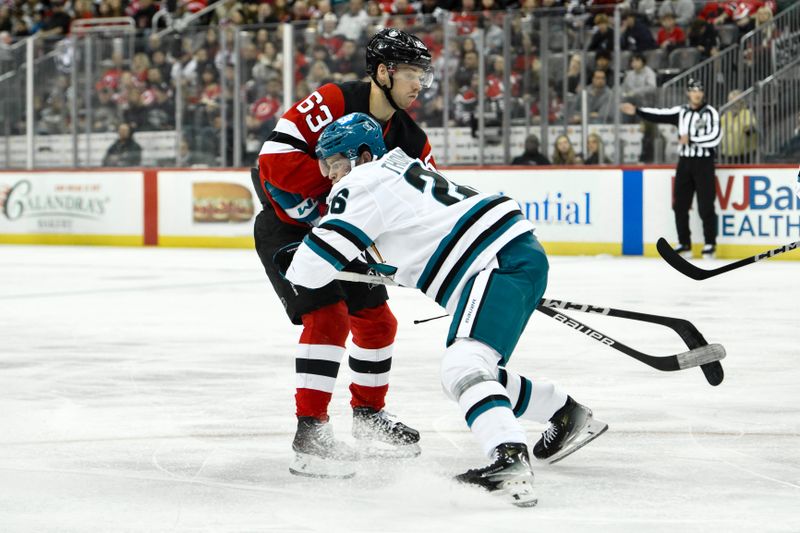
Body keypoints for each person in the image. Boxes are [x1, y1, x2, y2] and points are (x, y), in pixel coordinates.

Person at [279, 112, 607, 506]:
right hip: (511, 256)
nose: (330, 174)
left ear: (362, 155)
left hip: (494, 263)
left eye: (335, 162)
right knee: (477, 371)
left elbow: (310, 273)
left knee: (463, 368)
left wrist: (296, 258)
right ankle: (565, 413)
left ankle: (508, 458)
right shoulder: (400, 167)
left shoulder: (362, 183)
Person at [252, 29, 437, 479]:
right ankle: (310, 434)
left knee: (378, 323)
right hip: (289, 228)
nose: (419, 85)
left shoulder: (414, 141)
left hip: (347, 234)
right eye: (411, 73)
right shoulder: (334, 99)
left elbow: (426, 210)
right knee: (329, 318)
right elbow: (271, 161)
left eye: (422, 75)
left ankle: (369, 418)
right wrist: (340, 184)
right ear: (381, 72)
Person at [621, 78, 722, 259]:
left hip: (704, 163)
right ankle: (684, 243)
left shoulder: (711, 113)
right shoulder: (681, 112)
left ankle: (710, 244)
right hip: (684, 163)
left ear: (703, 93)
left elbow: (715, 138)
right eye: (693, 90)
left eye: (700, 90)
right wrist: (637, 111)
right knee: (680, 205)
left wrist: (692, 139)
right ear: (688, 93)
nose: (697, 94)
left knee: (706, 205)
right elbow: (658, 114)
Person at [719, 89, 756, 164]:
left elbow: (751, 128)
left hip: (744, 156)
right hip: (726, 155)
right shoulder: (725, 116)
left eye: (736, 101)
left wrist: (749, 128)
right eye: (731, 101)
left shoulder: (747, 113)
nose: (733, 104)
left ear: (741, 102)